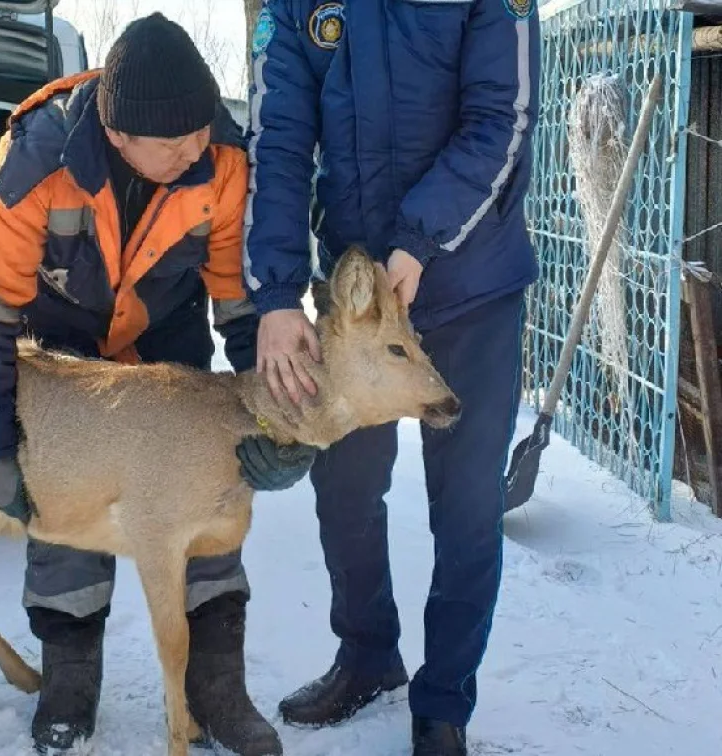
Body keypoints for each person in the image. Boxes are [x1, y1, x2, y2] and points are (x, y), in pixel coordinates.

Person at [0, 12, 312, 756]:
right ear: (115, 133)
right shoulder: (34, 161)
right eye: (172, 142)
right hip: (61, 346)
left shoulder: (223, 158)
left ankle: (218, 686)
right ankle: (69, 678)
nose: (192, 150)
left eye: (200, 131)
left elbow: (244, 306)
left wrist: (274, 420)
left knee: (210, 495)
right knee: (64, 509)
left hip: (165, 342)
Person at [243, 1, 542, 754]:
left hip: (470, 287)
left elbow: (500, 118)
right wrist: (276, 294)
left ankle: (443, 704)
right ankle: (368, 654)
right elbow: (278, 139)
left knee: (467, 505)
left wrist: (418, 241)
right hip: (356, 308)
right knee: (344, 489)